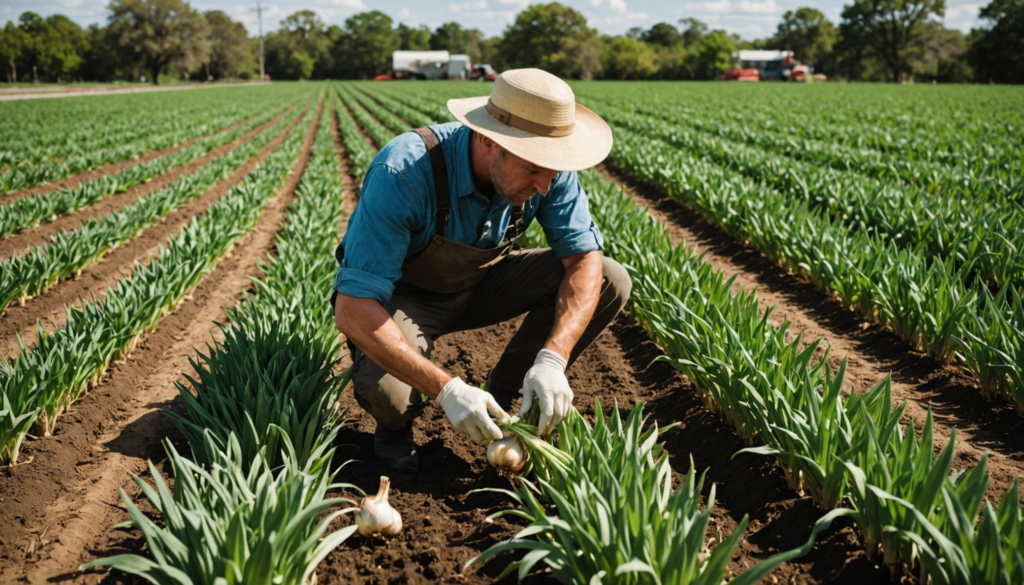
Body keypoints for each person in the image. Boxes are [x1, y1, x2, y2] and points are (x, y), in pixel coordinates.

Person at [331, 68, 631, 473]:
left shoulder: (549, 169)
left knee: (610, 278)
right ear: (489, 140)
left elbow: (583, 260)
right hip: (404, 296)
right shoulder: (404, 172)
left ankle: (509, 396)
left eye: (553, 171)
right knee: (392, 396)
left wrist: (553, 358)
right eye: (533, 169)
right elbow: (353, 308)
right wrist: (447, 389)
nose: (546, 184)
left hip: (482, 283)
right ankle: (395, 428)